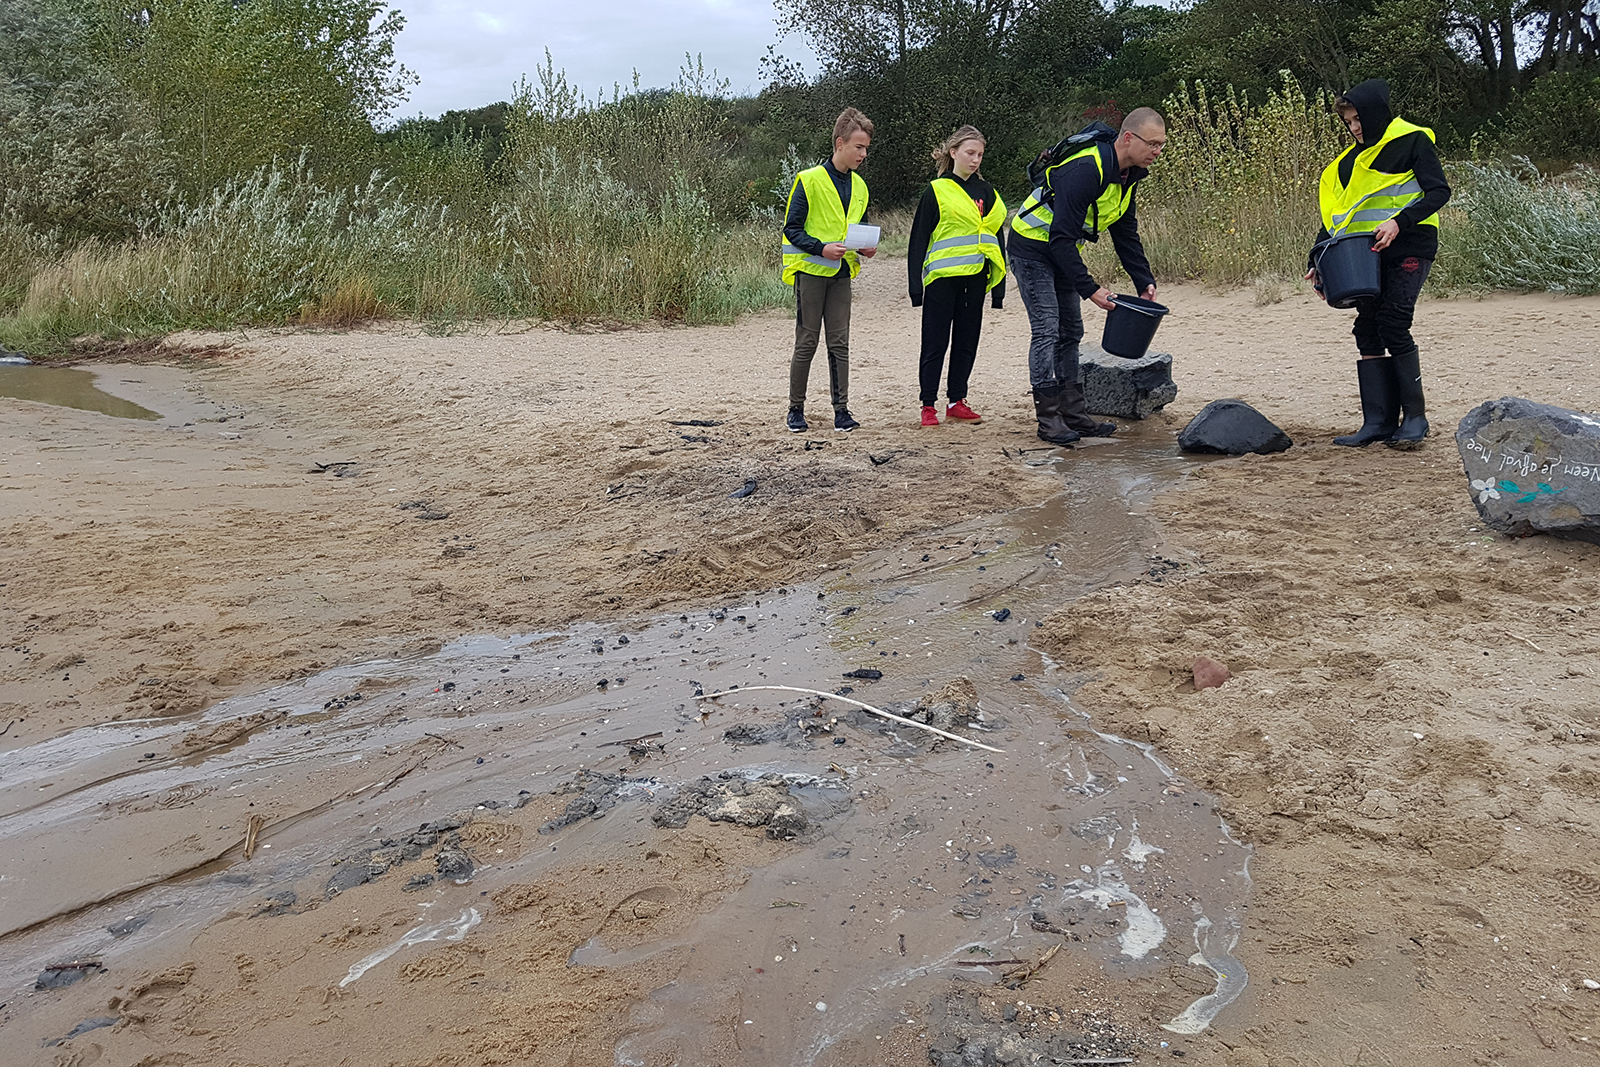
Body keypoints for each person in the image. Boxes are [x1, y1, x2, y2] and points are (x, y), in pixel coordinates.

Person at [1306, 79, 1450, 450]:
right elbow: (1336, 219)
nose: (1354, 128)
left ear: (1374, 113)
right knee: (1367, 329)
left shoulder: (1413, 140)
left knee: (1394, 322)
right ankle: (1378, 422)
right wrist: (1317, 258)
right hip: (1363, 254)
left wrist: (1399, 222)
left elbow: (1438, 191)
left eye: (1357, 119)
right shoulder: (1344, 165)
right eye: (1349, 122)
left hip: (1411, 244)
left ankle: (1415, 419)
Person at [1009, 109, 1164, 446]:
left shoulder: (1129, 175)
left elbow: (1125, 231)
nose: (1157, 151)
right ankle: (1048, 419)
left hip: (1061, 249)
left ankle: (1074, 413)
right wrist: (1090, 289)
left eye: (1161, 145)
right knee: (1047, 329)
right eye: (1152, 143)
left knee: (1072, 331)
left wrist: (1143, 279)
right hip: (1032, 248)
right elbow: (1060, 238)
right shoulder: (1085, 170)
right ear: (1127, 139)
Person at [781, 107, 877, 433]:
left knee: (840, 343)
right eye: (858, 147)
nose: (863, 154)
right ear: (840, 143)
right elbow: (791, 229)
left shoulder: (861, 186)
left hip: (841, 275)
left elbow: (857, 226)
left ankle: (842, 411)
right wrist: (821, 248)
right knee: (806, 342)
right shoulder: (808, 180)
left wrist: (866, 246)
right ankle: (796, 410)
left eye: (866, 148)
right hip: (810, 273)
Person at [907, 126, 1007, 427]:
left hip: (975, 278)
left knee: (967, 341)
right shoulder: (936, 190)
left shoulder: (987, 192)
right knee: (935, 343)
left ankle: (957, 400)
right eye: (970, 153)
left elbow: (995, 240)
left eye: (980, 155)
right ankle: (928, 405)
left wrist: (999, 290)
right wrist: (915, 288)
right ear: (953, 153)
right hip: (941, 280)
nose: (975, 160)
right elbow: (918, 240)